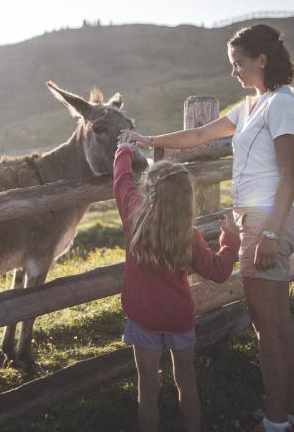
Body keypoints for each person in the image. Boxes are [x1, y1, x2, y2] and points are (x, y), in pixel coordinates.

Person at [126, 24, 294, 432]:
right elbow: (198, 134)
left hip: (268, 219)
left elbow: (289, 173)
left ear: (262, 59)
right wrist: (146, 139)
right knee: (276, 321)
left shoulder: (281, 104)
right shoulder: (249, 107)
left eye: (238, 63)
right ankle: (293, 413)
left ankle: (276, 419)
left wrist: (272, 233)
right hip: (257, 218)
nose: (234, 72)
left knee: (268, 324)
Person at [113, 133, 240, 432]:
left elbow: (121, 181)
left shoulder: (134, 215)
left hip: (143, 317)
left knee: (147, 389)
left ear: (148, 191)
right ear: (186, 201)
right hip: (179, 319)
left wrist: (124, 150)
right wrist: (230, 241)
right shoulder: (189, 235)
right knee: (186, 381)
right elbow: (219, 271)